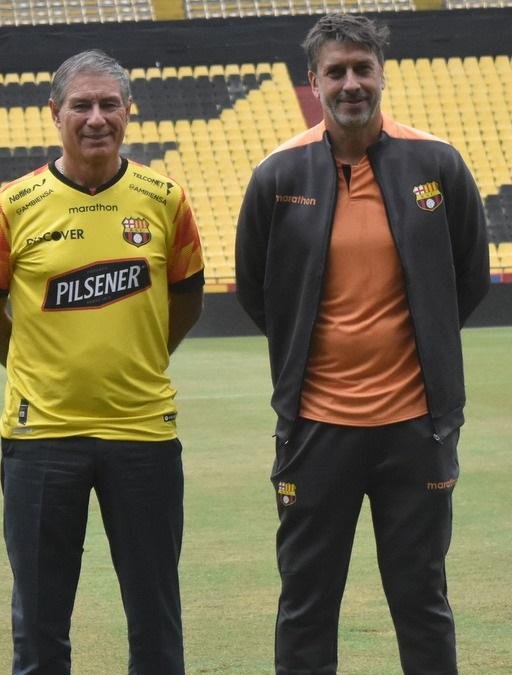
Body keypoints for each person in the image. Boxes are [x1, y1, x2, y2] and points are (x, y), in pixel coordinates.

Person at [235, 14, 489, 675]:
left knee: (422, 599)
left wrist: (424, 344)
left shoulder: (437, 163)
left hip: (416, 427)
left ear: (382, 73)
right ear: (313, 82)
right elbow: (258, 292)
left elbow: (465, 279)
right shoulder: (277, 174)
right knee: (306, 603)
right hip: (317, 429)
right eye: (336, 71)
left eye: (362, 68)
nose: (351, 83)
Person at [0, 49, 205, 674]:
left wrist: (140, 360)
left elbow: (185, 303)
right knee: (40, 629)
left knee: (156, 623)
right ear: (55, 113)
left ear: (129, 112)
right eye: (81, 105)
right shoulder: (10, 207)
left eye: (109, 105)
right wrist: (37, 373)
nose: (96, 118)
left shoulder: (166, 200)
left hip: (144, 435)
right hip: (41, 438)